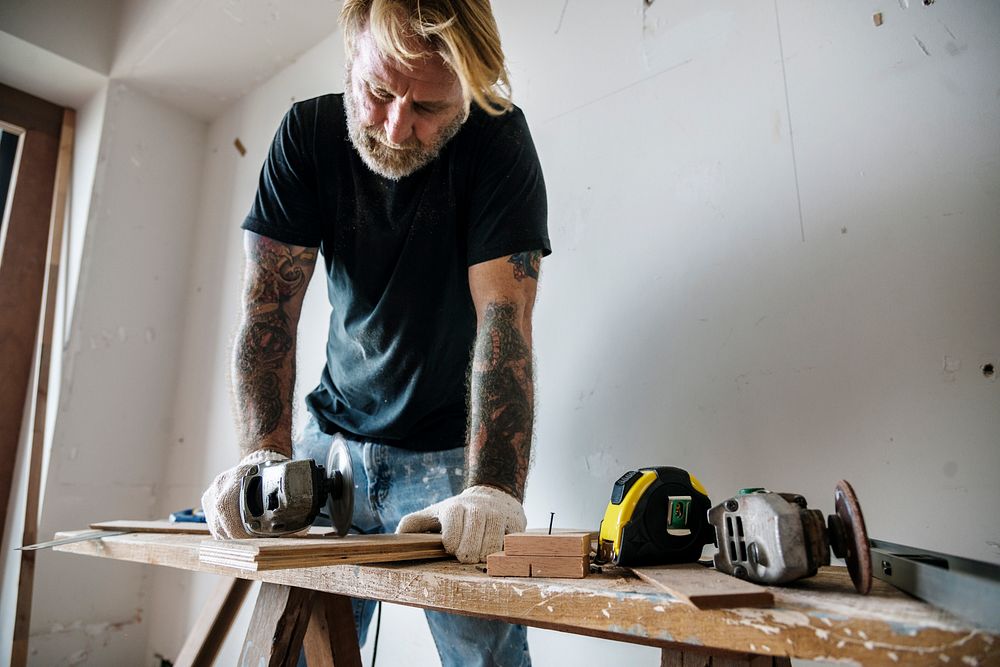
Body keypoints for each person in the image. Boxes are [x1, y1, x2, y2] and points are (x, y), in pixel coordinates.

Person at [201, 0, 549, 664]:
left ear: (468, 97)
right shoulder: (306, 135)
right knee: (300, 644)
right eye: (380, 92)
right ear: (351, 54)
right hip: (331, 445)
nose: (396, 127)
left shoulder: (497, 141)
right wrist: (263, 457)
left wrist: (495, 488)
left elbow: (505, 317)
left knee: (487, 654)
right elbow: (268, 314)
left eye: (430, 110)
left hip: (451, 456)